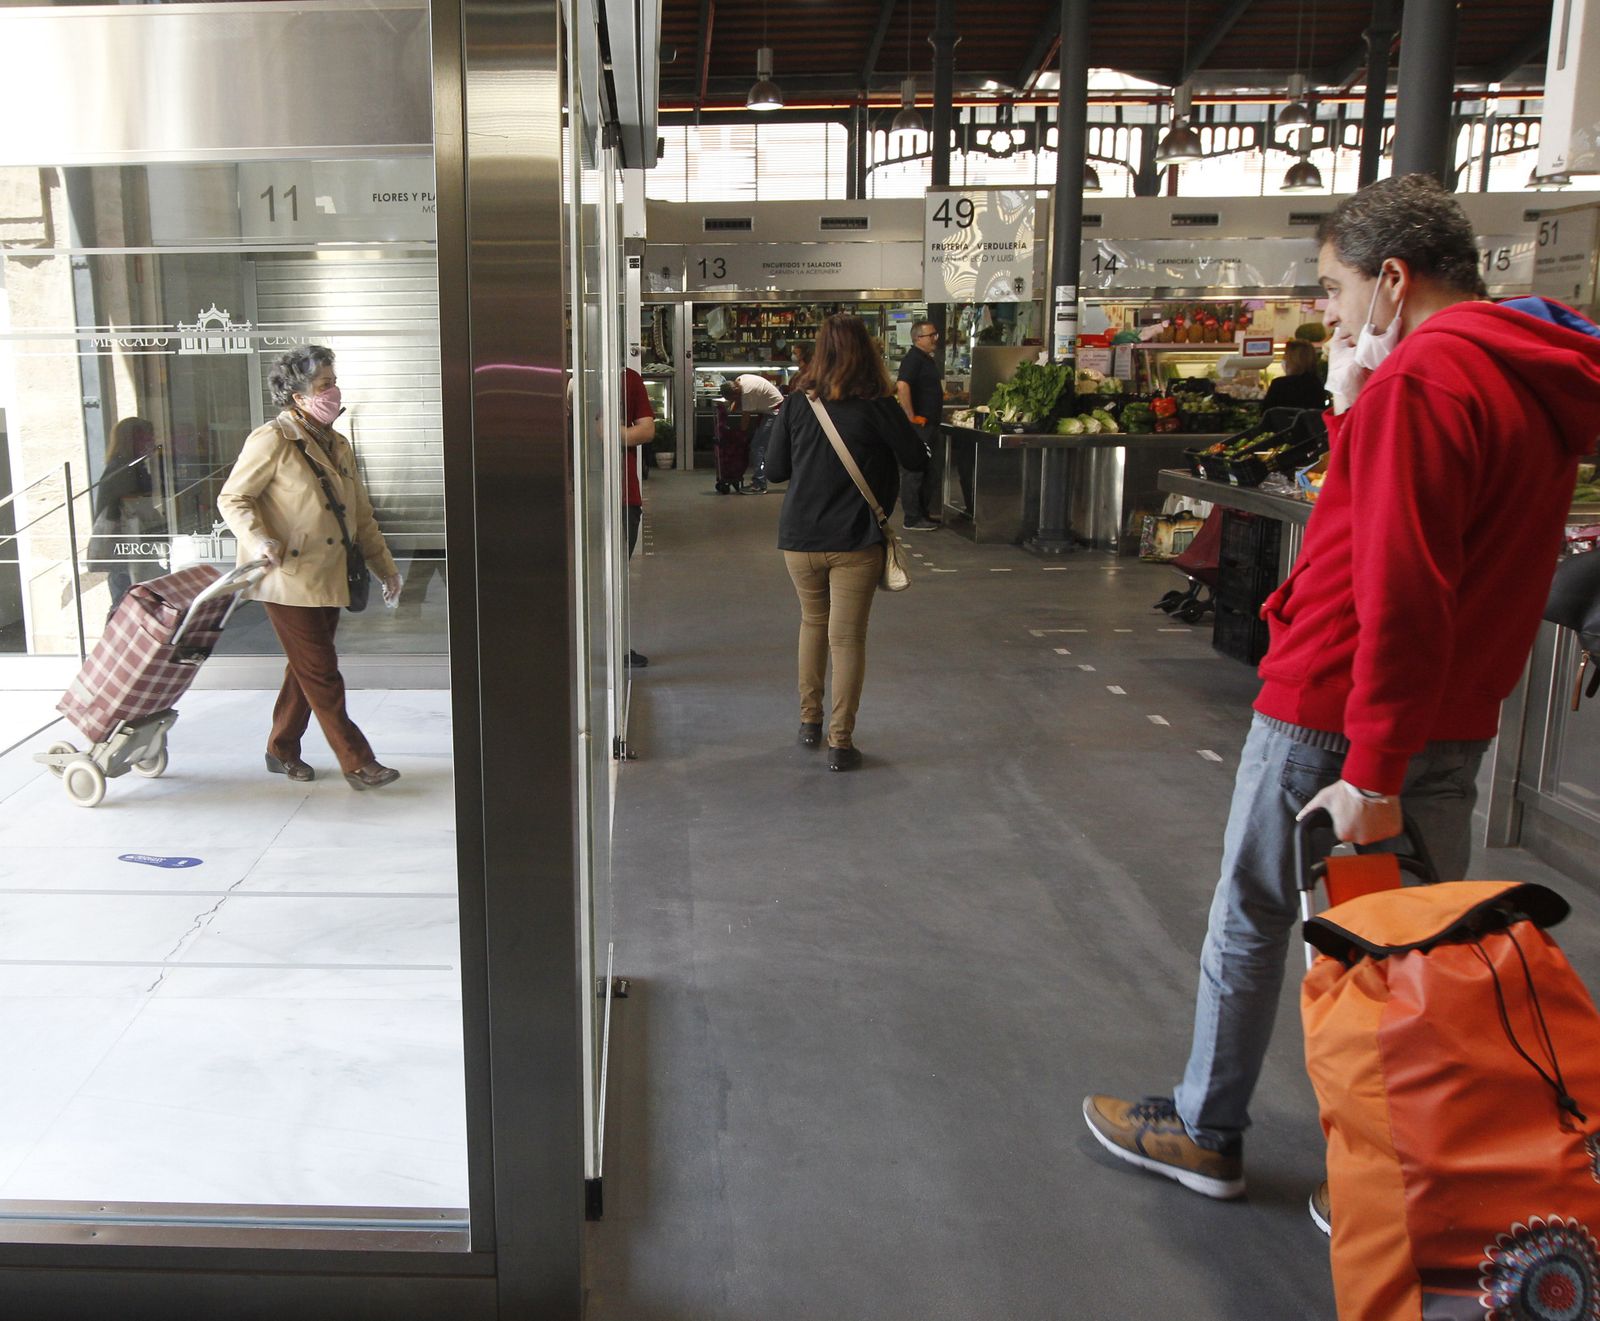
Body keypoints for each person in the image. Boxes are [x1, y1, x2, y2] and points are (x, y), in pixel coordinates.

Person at [1082, 175, 1600, 1215]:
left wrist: (1369, 770)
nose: (1329, 310)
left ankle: (1206, 1128)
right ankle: (1393, 1176)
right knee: (1413, 948)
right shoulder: (1531, 377)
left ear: (1392, 280)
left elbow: (1398, 582)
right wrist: (1352, 410)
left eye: (1332, 287)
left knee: (1254, 911)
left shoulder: (1427, 381)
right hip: (1451, 715)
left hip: (1338, 716)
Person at [218, 346, 403, 790]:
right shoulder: (272, 439)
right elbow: (233, 498)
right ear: (298, 396)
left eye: (333, 382)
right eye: (324, 385)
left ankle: (280, 748)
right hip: (287, 577)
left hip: (330, 575)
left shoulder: (337, 443)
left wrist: (386, 568)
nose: (334, 391)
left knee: (305, 669)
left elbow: (361, 515)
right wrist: (259, 538)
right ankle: (357, 761)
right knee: (321, 670)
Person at [764, 315, 927, 772]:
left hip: (800, 539)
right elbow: (916, 459)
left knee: (812, 623)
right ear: (868, 352)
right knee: (847, 638)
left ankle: (809, 722)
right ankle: (840, 743)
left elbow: (775, 471)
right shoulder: (878, 404)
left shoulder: (798, 403)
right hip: (855, 539)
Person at [89, 416, 162, 614]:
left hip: (130, 544)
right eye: (146, 438)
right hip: (124, 544)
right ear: (132, 440)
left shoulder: (133, 465)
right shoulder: (123, 468)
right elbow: (129, 503)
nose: (152, 442)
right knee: (124, 601)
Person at [621, 366, 655, 667]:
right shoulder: (574, 381)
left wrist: (614, 433)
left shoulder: (629, 378)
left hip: (624, 498)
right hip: (585, 497)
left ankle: (617, 645)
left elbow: (646, 430)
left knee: (616, 576)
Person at [894, 320, 942, 530]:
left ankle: (922, 513)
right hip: (920, 426)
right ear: (918, 338)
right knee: (915, 471)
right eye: (931, 335)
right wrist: (911, 417)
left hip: (929, 424)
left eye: (935, 334)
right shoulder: (913, 359)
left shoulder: (925, 359)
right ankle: (912, 517)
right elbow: (902, 385)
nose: (935, 339)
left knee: (929, 471)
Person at [721, 373, 784, 493]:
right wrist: (730, 410)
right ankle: (759, 480)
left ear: (735, 393)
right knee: (759, 446)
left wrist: (740, 437)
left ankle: (759, 484)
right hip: (769, 411)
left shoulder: (747, 392)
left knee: (757, 447)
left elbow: (745, 418)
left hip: (775, 413)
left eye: (732, 398)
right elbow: (736, 403)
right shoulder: (740, 380)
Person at [1261, 338, 1329, 412]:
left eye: (1285, 356)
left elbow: (1266, 413)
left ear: (1291, 360)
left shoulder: (1279, 385)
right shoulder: (1317, 384)